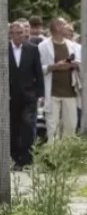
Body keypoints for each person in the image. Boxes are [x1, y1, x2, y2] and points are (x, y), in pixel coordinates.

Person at [39, 18, 82, 142]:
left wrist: (74, 64)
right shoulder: (43, 46)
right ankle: (53, 158)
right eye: (64, 24)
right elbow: (38, 68)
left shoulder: (73, 46)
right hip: (52, 92)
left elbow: (81, 63)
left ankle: (68, 157)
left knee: (70, 126)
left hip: (70, 91)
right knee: (52, 128)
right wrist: (55, 66)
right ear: (57, 27)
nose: (67, 27)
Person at [9, 21, 44, 170]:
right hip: (10, 95)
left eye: (20, 33)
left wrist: (40, 93)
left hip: (29, 95)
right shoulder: (4, 49)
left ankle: (27, 160)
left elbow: (38, 73)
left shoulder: (32, 49)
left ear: (25, 34)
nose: (17, 36)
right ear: (10, 34)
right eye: (14, 33)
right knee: (13, 127)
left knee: (28, 127)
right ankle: (15, 158)